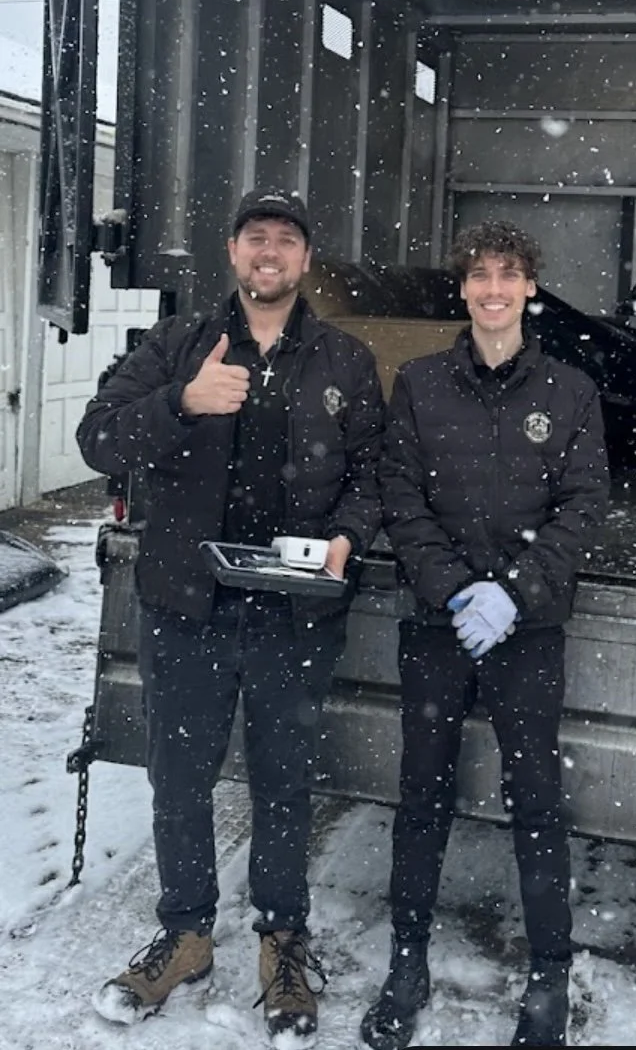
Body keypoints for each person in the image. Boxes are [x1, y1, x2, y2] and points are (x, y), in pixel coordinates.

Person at [77, 188, 384, 1041]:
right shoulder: (176, 345)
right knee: (179, 779)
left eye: (287, 239)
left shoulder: (345, 359)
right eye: (257, 237)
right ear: (232, 251)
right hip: (187, 606)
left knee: (284, 782)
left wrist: (346, 542)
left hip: (294, 610)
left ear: (305, 259)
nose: (270, 252)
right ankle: (185, 933)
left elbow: (373, 470)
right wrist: (181, 402)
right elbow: (97, 438)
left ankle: (282, 940)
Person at [362, 221, 609, 1050]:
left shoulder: (569, 390)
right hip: (437, 625)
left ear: (530, 287)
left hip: (527, 630)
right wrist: (452, 587)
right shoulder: (421, 385)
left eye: (509, 274)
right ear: (462, 289)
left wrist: (512, 592)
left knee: (535, 798)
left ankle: (548, 973)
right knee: (420, 796)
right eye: (479, 275)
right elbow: (400, 498)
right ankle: (406, 962)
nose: (494, 288)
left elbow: (583, 508)